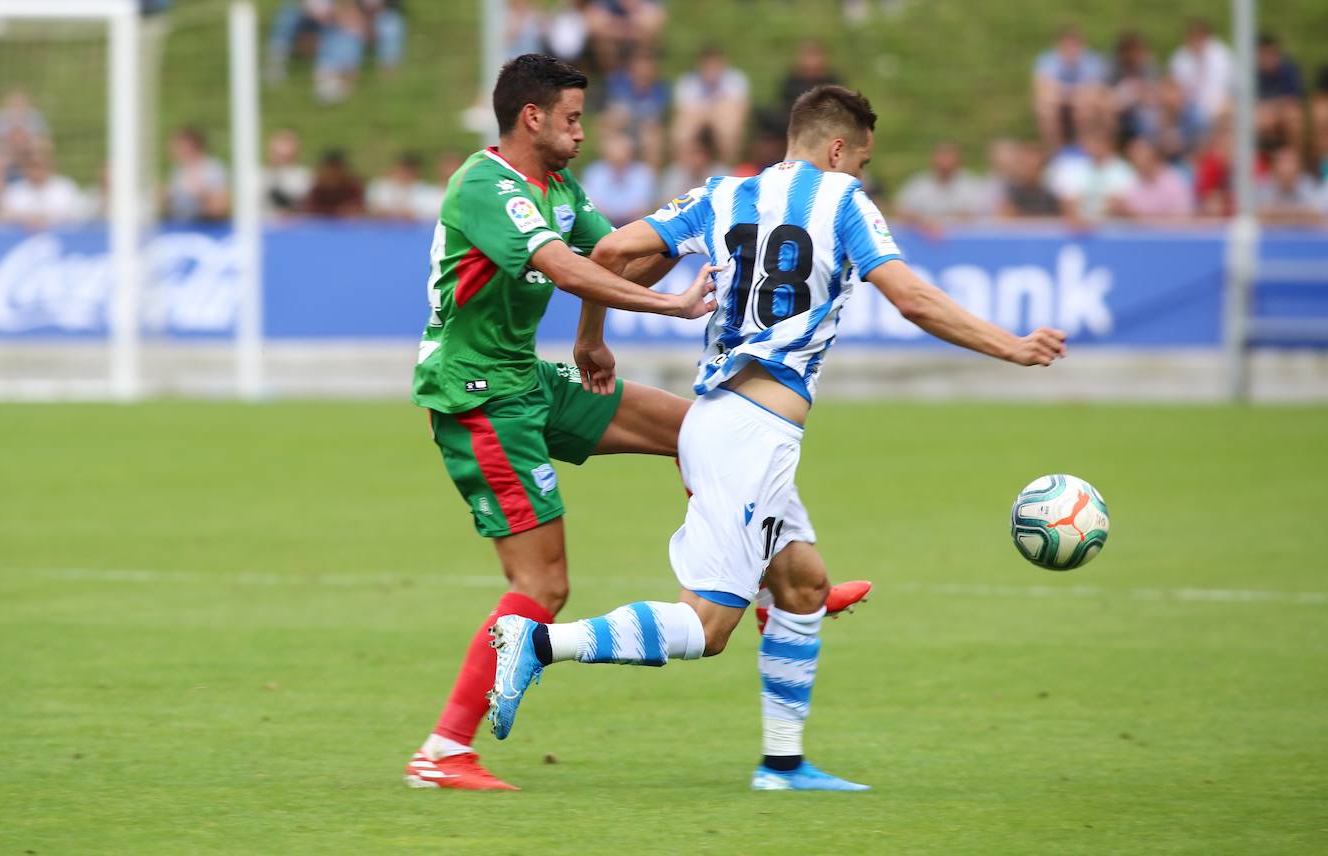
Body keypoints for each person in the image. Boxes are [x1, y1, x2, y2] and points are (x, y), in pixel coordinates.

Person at [486, 84, 1067, 790]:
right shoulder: (844, 203)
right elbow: (911, 298)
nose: (861, 177)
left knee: (802, 586)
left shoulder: (724, 195)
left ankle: (783, 764)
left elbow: (609, 250)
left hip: (719, 422)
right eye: (861, 162)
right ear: (836, 149)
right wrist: (1010, 347)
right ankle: (540, 643)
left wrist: (591, 340)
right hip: (749, 435)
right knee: (705, 628)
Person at [404, 54, 870, 792]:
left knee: (702, 432)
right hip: (478, 397)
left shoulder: (556, 186)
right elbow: (566, 268)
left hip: (525, 377)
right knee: (544, 584)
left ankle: (774, 575)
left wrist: (678, 247)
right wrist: (672, 305)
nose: (582, 133)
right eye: (571, 118)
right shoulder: (485, 186)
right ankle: (441, 752)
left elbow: (616, 256)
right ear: (532, 118)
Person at [671, 45, 750, 166]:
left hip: (723, 121)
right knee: (682, 130)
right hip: (697, 120)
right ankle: (682, 169)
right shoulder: (688, 82)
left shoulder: (735, 80)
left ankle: (729, 168)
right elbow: (683, 112)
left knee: (729, 126)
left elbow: (742, 111)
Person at [1032, 26, 1108, 150]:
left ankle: (1085, 150)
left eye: (1074, 45)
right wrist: (1073, 94)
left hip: (1082, 103)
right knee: (1045, 109)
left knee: (1085, 108)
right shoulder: (1047, 60)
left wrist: (1066, 93)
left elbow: (1095, 90)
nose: (1070, 50)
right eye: (1066, 46)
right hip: (1060, 102)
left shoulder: (1092, 61)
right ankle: (1054, 152)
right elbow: (1042, 89)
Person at [1046, 125, 1136, 222]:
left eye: (1099, 142)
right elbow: (1067, 200)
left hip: (1112, 227)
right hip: (1078, 227)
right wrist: (1079, 219)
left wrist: (1092, 220)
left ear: (1109, 144)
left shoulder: (1123, 170)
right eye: (1091, 142)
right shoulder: (1073, 167)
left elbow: (1119, 202)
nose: (1095, 146)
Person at [892, 141, 987, 228]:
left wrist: (943, 223)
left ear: (958, 159)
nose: (945, 160)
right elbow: (899, 210)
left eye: (949, 155)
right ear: (933, 158)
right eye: (941, 155)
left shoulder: (970, 184)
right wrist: (923, 221)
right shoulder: (919, 183)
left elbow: (981, 213)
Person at [603, 51, 668, 169]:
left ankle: (650, 180)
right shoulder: (620, 88)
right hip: (625, 131)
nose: (643, 74)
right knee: (612, 129)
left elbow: (657, 121)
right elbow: (614, 115)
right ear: (632, 71)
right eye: (640, 70)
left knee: (652, 138)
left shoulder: (660, 91)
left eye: (647, 70)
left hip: (645, 133)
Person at [1169, 18, 1232, 138]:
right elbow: (1176, 88)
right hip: (1188, 109)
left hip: (1217, 108)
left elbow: (1226, 90)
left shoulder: (1222, 57)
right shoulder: (1180, 58)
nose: (1195, 42)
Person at [0, 148, 86, 229]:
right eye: (31, 166)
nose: (36, 171)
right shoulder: (14, 191)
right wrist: (26, 220)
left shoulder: (66, 188)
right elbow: (1, 216)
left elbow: (78, 215)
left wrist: (46, 220)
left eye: (39, 166)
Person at [580, 132, 655, 224]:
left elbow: (642, 205)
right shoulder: (594, 172)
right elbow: (592, 202)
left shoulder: (643, 173)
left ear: (630, 152)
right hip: (602, 222)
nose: (618, 155)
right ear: (605, 153)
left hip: (633, 223)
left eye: (622, 150)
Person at [1112, 137, 1194, 221]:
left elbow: (1183, 220)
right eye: (1133, 157)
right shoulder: (1131, 181)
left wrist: (1137, 217)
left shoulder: (1173, 182)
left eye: (1140, 154)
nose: (1136, 160)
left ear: (1153, 156)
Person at [164, 126, 229, 223]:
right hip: (181, 224)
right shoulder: (178, 171)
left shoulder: (213, 169)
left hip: (208, 226)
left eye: (179, 146)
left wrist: (200, 197)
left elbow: (221, 207)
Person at [1255, 34, 1304, 151]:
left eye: (1269, 53)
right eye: (1262, 54)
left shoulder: (1288, 70)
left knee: (1293, 117)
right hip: (1261, 112)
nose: (1266, 58)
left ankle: (1293, 155)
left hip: (1282, 111)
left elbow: (1293, 99)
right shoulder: (1252, 73)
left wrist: (1271, 108)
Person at [1257, 146, 1324, 226]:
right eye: (1282, 162)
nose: (1287, 167)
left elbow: (1317, 214)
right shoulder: (1265, 184)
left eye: (1290, 162)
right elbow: (1259, 215)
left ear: (1299, 167)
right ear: (1274, 167)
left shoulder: (1308, 183)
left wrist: (1277, 214)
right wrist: (1299, 214)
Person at [365, 152, 442, 220]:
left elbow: (429, 214)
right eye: (403, 169)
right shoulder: (380, 186)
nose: (405, 173)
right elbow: (371, 210)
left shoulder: (425, 190)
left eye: (409, 170)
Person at [999, 141, 1060, 218]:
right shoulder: (1011, 190)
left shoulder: (1054, 191)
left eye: (1033, 166)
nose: (1026, 169)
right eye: (1023, 163)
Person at [264, 129, 313, 217]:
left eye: (286, 157)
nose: (280, 160)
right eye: (277, 154)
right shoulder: (255, 178)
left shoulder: (306, 178)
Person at [303, 149, 365, 217]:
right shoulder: (317, 188)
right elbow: (308, 211)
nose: (332, 173)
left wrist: (353, 210)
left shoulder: (352, 186)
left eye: (335, 169)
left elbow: (361, 209)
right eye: (329, 169)